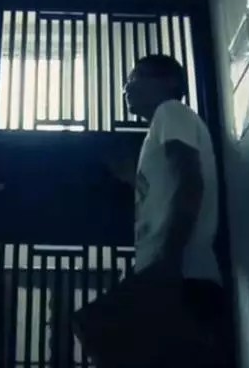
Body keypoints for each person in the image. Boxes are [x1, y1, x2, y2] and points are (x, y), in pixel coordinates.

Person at [72, 55, 230, 367]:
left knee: (98, 330)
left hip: (180, 271)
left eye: (137, 77)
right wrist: (131, 177)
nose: (127, 87)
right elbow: (167, 185)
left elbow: (189, 180)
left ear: (168, 82)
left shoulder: (170, 111)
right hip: (176, 271)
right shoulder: (163, 126)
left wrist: (169, 258)